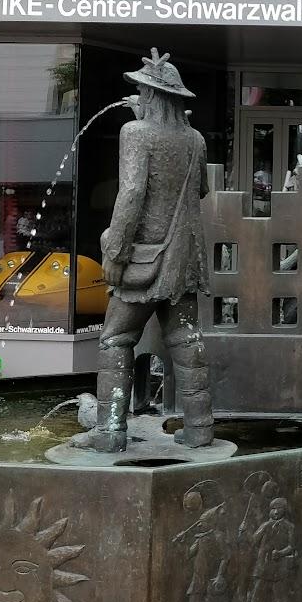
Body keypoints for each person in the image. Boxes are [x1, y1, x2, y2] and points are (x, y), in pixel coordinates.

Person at [75, 48, 214, 453]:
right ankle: (200, 429)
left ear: (151, 95)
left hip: (146, 258)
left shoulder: (135, 133)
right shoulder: (195, 139)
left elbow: (132, 193)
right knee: (186, 339)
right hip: (183, 259)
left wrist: (115, 250)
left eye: (142, 90)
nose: (138, 94)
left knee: (116, 339)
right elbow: (201, 190)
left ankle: (109, 431)